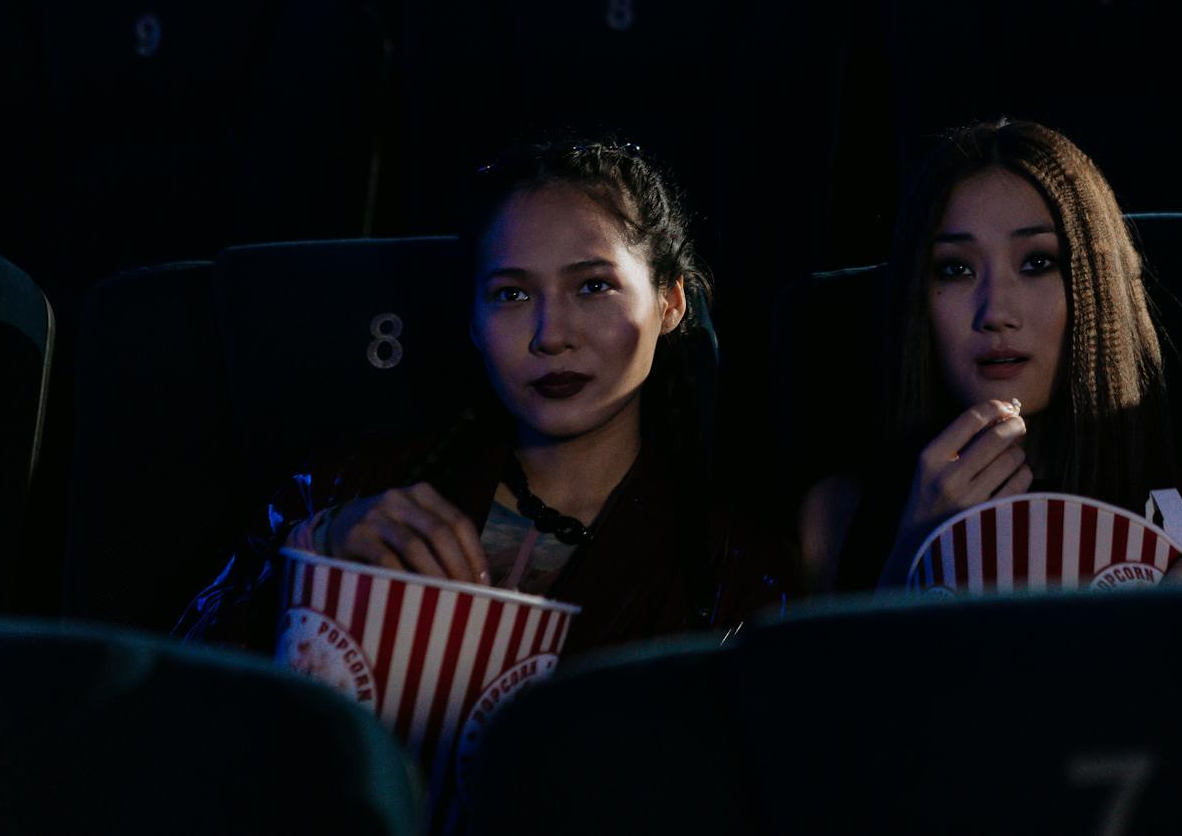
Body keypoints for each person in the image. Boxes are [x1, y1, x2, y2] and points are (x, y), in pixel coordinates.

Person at [178, 138, 790, 654]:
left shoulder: (728, 559)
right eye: (512, 295)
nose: (552, 336)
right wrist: (314, 553)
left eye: (594, 286)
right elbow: (178, 688)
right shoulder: (348, 489)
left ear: (670, 302)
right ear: (471, 321)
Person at [799, 119, 1182, 594]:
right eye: (955, 269)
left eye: (1037, 262)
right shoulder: (839, 517)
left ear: (1094, 288)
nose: (996, 312)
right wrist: (914, 557)